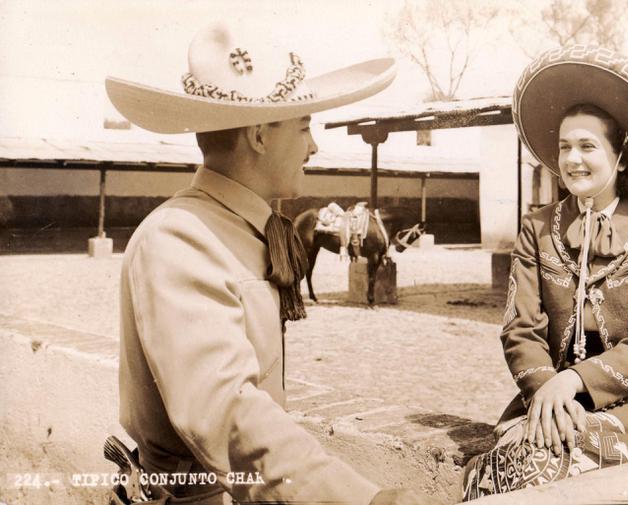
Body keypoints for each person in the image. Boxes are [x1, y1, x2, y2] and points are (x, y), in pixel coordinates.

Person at [107, 21, 427, 505]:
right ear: (259, 135)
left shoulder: (236, 228)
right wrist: (359, 499)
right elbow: (225, 410)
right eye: (303, 127)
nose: (313, 146)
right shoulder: (179, 237)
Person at [462, 45, 628, 499]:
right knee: (509, 468)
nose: (572, 160)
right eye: (564, 147)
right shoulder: (536, 228)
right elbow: (520, 329)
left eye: (587, 146)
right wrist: (547, 388)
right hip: (549, 396)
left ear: (620, 155)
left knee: (562, 467)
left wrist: (576, 381)